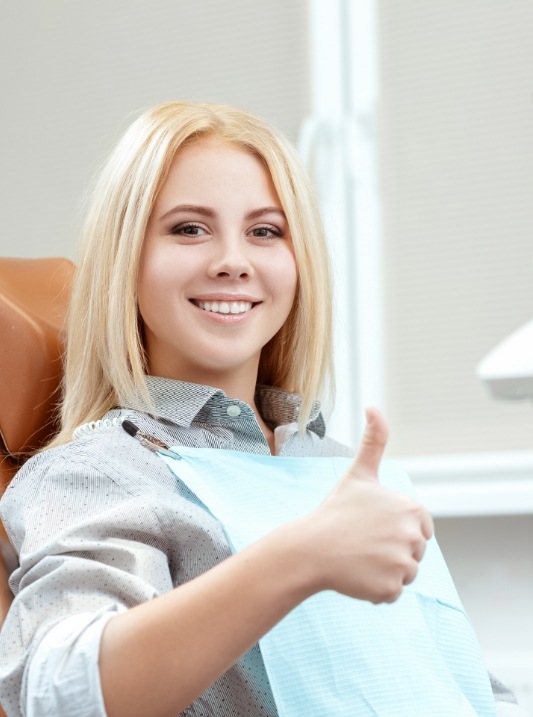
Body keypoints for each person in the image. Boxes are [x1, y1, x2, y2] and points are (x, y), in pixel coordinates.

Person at [0, 102, 524, 717]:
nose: (233, 260)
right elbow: (61, 694)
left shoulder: (337, 470)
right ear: (126, 261)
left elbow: (463, 690)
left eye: (265, 231)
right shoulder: (102, 470)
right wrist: (299, 558)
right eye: (188, 229)